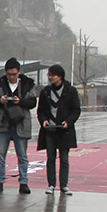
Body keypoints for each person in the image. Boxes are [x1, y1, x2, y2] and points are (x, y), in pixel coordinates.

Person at [0, 58, 37, 194]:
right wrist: (0, 100)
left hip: (21, 123)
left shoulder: (27, 84)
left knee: (22, 156)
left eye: (14, 74)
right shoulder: (0, 85)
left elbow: (32, 103)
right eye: (9, 74)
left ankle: (23, 182)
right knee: (0, 155)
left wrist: (20, 101)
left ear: (19, 72)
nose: (11, 77)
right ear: (5, 73)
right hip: (3, 123)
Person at [37, 64, 81, 195]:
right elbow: (40, 111)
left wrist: (68, 122)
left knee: (64, 158)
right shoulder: (45, 92)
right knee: (51, 158)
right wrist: (43, 120)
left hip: (64, 130)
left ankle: (64, 185)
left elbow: (76, 110)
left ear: (60, 76)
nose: (49, 77)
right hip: (50, 129)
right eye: (49, 75)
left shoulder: (70, 91)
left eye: (52, 75)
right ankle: (51, 184)